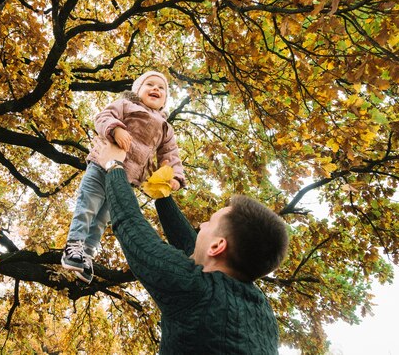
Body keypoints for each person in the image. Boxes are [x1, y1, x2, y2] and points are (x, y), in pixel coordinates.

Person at [96, 140, 289, 354]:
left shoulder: (197, 291)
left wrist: (113, 166)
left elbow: (133, 229)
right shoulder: (261, 310)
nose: (202, 225)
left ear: (217, 246)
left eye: (210, 222)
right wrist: (161, 192)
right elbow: (192, 248)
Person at [61, 71, 185, 283]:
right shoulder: (126, 105)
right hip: (102, 164)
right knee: (88, 206)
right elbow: (103, 117)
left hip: (124, 181)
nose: (156, 89)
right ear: (138, 90)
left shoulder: (165, 127)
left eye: (161, 88)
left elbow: (170, 155)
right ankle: (74, 245)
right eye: (150, 84)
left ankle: (86, 255)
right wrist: (116, 129)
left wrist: (175, 177)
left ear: (165, 99)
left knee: (102, 218)